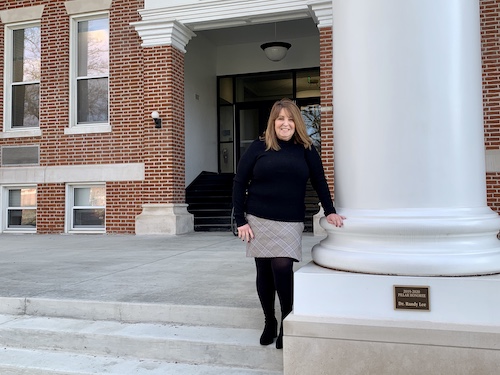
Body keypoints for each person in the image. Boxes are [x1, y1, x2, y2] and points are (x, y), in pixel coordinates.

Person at [232, 98, 345, 349]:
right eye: (280, 118)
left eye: (291, 119)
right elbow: (240, 182)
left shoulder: (306, 148)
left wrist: (330, 211)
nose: (285, 123)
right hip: (258, 218)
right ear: (273, 122)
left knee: (282, 268)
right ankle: (269, 321)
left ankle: (286, 320)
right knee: (263, 271)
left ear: (297, 123)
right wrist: (240, 220)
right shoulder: (259, 147)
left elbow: (319, 181)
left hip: (290, 220)